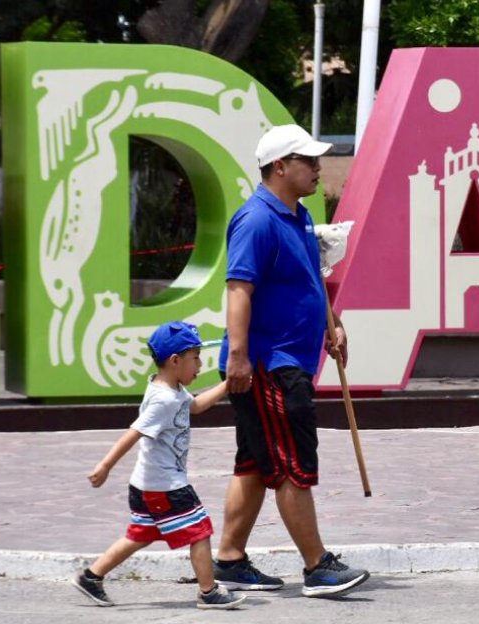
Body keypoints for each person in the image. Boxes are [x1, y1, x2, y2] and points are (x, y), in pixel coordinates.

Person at [214, 124, 371, 598]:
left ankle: (230, 559)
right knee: (290, 463)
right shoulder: (256, 220)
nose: (318, 167)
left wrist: (332, 324)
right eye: (308, 160)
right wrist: (239, 357)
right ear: (280, 166)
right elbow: (239, 289)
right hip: (268, 364)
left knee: (257, 463)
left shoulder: (298, 217)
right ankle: (317, 566)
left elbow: (311, 280)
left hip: (290, 358)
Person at [71, 321, 245, 610]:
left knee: (138, 535)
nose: (200, 365)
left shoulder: (170, 387)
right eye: (196, 358)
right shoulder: (163, 399)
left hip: (147, 484)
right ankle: (208, 592)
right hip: (165, 486)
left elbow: (196, 407)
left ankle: (91, 577)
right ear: (175, 361)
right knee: (199, 530)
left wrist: (228, 385)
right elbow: (134, 433)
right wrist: (105, 465)